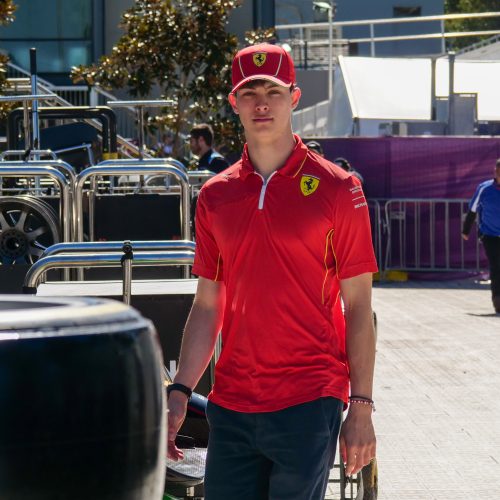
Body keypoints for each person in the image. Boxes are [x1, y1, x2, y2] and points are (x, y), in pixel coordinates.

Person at [167, 43, 378, 500]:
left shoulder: (339, 189)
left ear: (294, 98)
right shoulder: (216, 195)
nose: (261, 103)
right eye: (249, 92)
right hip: (232, 404)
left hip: (310, 398)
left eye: (273, 91)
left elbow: (360, 306)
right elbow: (208, 304)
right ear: (234, 102)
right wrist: (181, 389)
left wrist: (361, 406)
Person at [462, 159, 500, 313]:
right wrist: (466, 230)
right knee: (496, 266)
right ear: (495, 172)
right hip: (489, 235)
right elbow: (473, 210)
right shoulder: (484, 188)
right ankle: (498, 299)